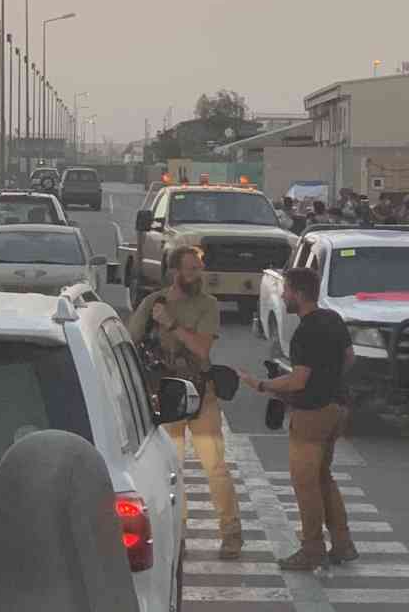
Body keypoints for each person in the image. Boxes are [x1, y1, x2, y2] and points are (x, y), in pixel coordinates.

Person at [129, 243, 243, 559]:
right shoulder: (154, 302)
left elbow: (201, 350)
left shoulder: (207, 305)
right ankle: (177, 535)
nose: (197, 274)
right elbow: (129, 340)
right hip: (166, 395)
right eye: (191, 269)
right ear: (175, 272)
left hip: (200, 392)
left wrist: (171, 324)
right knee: (171, 469)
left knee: (215, 466)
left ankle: (231, 533)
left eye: (199, 268)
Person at [242, 266, 357, 571]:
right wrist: (331, 382)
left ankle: (312, 549)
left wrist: (263, 385)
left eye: (287, 290)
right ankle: (343, 544)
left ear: (299, 293)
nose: (283, 295)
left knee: (305, 484)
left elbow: (298, 381)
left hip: (311, 415)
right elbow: (349, 358)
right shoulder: (333, 319)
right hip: (337, 409)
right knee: (324, 478)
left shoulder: (304, 332)